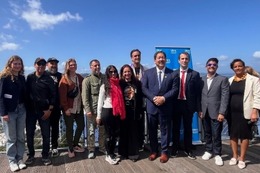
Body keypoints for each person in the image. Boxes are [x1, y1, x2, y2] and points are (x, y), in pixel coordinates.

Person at [141, 51, 178, 163]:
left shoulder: (173, 73)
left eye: (163, 58)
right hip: (152, 107)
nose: (161, 60)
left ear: (165, 60)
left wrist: (163, 98)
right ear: (155, 60)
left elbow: (175, 89)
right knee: (152, 131)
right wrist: (153, 98)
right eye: (159, 58)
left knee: (165, 131)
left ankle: (164, 152)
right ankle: (153, 151)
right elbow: (144, 88)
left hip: (166, 107)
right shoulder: (147, 73)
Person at [228, 59, 260, 169]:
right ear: (233, 68)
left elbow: (257, 96)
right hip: (231, 113)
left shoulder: (254, 80)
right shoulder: (230, 80)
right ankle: (234, 156)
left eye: (239, 66)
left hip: (246, 112)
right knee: (233, 134)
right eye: (235, 67)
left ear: (243, 66)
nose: (237, 68)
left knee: (245, 135)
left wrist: (255, 111)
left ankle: (242, 158)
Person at [198, 58, 229, 166]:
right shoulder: (201, 80)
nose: (212, 66)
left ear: (217, 67)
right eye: (209, 64)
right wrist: (200, 110)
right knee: (207, 133)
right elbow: (199, 97)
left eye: (214, 65)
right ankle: (208, 150)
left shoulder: (222, 79)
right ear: (206, 66)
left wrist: (222, 112)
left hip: (216, 112)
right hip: (204, 111)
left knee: (216, 134)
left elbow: (225, 97)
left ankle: (217, 154)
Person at [25, 58, 56, 166]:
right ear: (34, 65)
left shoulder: (49, 79)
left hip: (44, 111)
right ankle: (31, 155)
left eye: (43, 65)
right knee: (29, 134)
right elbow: (25, 93)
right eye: (39, 64)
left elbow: (53, 95)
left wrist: (49, 110)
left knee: (46, 135)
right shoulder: (29, 77)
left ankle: (45, 155)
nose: (41, 66)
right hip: (31, 111)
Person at [171, 52, 201, 160]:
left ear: (189, 60)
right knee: (175, 128)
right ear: (179, 61)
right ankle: (174, 149)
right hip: (176, 104)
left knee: (188, 128)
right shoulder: (173, 74)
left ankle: (188, 149)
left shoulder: (195, 74)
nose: (184, 60)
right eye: (182, 58)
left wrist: (198, 108)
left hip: (189, 105)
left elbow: (198, 93)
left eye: (186, 59)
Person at [0, 55, 27, 171]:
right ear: (10, 64)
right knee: (11, 138)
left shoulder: (21, 78)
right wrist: (3, 113)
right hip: (9, 111)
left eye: (19, 64)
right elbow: (0, 97)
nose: (17, 66)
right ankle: (12, 161)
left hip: (21, 110)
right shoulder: (4, 78)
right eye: (15, 63)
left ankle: (20, 158)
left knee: (21, 136)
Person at [96, 65, 126, 165]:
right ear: (107, 74)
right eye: (111, 72)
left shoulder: (118, 84)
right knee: (109, 134)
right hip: (107, 111)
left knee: (115, 134)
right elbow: (100, 102)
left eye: (114, 71)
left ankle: (112, 153)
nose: (113, 73)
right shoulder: (104, 85)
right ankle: (108, 155)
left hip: (116, 112)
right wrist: (98, 116)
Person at [59, 58, 85, 158]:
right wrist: (65, 108)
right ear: (67, 66)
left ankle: (74, 144)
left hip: (78, 107)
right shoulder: (64, 79)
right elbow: (62, 96)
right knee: (69, 129)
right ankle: (70, 148)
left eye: (74, 64)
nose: (73, 66)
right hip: (69, 108)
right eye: (71, 65)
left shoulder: (79, 77)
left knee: (81, 125)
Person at [82, 59, 106, 159]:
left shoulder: (104, 78)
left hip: (103, 109)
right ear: (91, 67)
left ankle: (102, 147)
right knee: (91, 131)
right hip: (92, 110)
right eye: (95, 65)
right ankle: (91, 149)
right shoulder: (87, 80)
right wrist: (88, 110)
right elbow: (85, 97)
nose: (97, 67)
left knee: (102, 130)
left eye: (98, 65)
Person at [118, 64, 143, 162]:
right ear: (122, 73)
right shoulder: (120, 83)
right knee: (123, 132)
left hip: (134, 111)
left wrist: (140, 111)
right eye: (125, 72)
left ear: (131, 73)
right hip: (123, 111)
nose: (127, 73)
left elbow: (140, 98)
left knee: (133, 132)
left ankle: (133, 153)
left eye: (128, 71)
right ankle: (123, 153)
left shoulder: (137, 83)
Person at [130, 49, 148, 149]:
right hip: (131, 101)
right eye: (135, 56)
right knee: (132, 124)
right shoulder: (127, 69)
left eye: (138, 56)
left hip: (143, 100)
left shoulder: (146, 70)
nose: (137, 57)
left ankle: (142, 143)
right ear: (131, 58)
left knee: (142, 124)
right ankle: (133, 144)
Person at [46, 57, 62, 157]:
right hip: (45, 108)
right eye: (51, 63)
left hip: (56, 107)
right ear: (48, 64)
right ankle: (46, 148)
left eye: (55, 63)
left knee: (55, 128)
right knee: (45, 129)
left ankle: (54, 147)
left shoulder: (60, 76)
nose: (54, 65)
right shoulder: (44, 75)